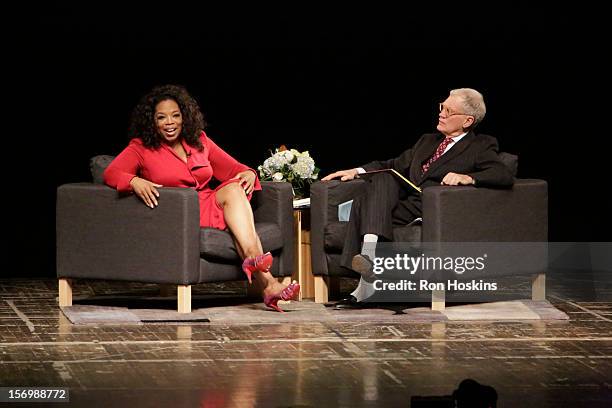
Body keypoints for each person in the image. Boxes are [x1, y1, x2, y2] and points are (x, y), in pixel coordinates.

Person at [103, 84, 299, 312]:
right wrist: (135, 181)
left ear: (184, 117)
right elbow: (111, 173)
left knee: (235, 188)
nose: (170, 123)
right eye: (162, 117)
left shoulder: (200, 141)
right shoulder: (141, 148)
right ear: (151, 121)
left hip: (207, 204)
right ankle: (265, 276)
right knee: (239, 222)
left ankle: (262, 273)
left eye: (176, 116)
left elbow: (233, 167)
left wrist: (248, 172)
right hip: (180, 212)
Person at [321, 88, 514, 309]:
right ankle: (370, 255)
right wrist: (356, 171)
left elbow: (503, 174)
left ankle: (365, 284)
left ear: (467, 121)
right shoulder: (427, 141)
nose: (441, 114)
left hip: (431, 206)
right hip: (403, 202)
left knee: (363, 204)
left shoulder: (480, 146)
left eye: (449, 111)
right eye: (441, 107)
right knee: (382, 180)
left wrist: (467, 177)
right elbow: (392, 165)